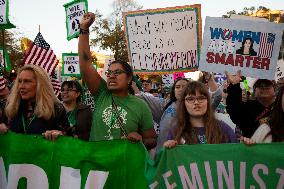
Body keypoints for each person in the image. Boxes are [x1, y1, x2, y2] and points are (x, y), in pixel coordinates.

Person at [78, 12, 156, 149]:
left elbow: (152, 139)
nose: (111, 76)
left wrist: (141, 140)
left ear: (129, 78)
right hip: (97, 167)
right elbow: (85, 63)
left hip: (125, 166)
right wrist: (84, 30)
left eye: (118, 72)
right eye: (109, 73)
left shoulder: (140, 106)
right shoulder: (102, 94)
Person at [0, 65, 69, 140]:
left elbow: (70, 140)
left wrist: (60, 135)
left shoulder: (56, 109)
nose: (21, 86)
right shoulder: (9, 107)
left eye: (27, 81)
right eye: (19, 81)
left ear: (40, 84)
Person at [164, 81, 238, 148]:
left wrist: (247, 145)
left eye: (201, 98)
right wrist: (167, 149)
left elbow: (237, 153)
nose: (196, 102)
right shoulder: (176, 131)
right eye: (190, 99)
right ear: (184, 104)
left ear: (208, 102)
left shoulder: (223, 128)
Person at [226, 71, 276, 137]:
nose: (264, 87)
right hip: (253, 146)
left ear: (274, 88)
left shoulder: (280, 106)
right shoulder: (248, 107)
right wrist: (234, 85)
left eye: (267, 85)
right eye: (260, 85)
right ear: (254, 91)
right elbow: (234, 111)